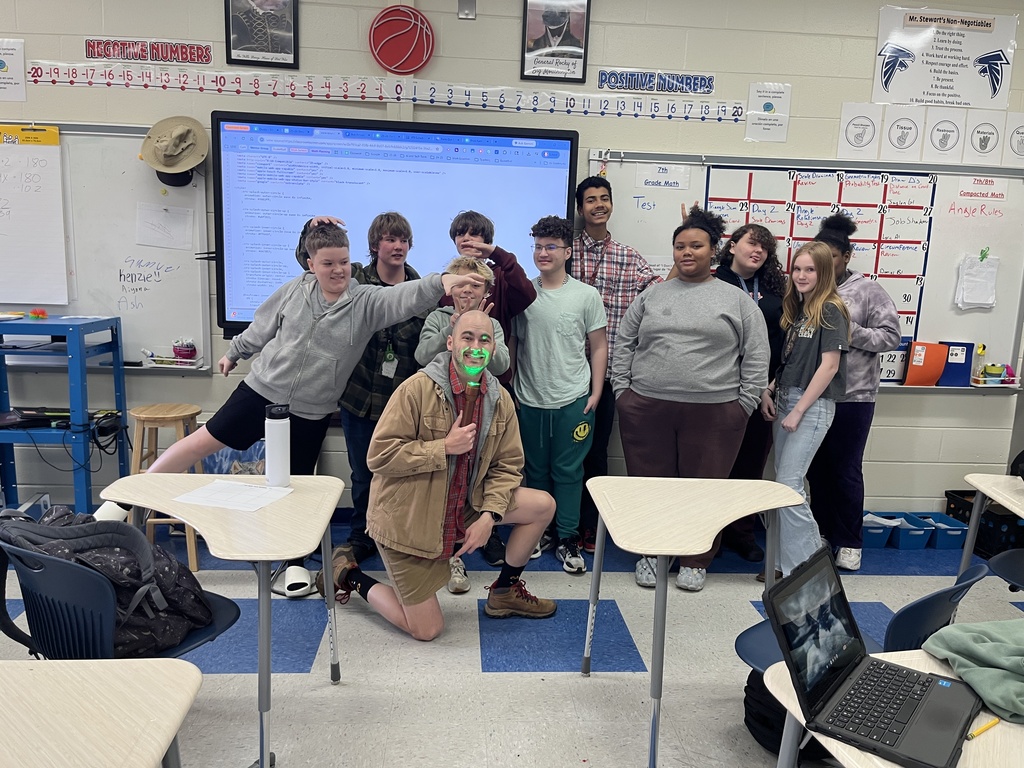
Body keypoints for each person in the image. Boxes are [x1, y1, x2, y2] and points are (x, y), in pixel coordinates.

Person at [147, 222, 483, 480]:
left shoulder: (365, 303)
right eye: (328, 263)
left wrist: (442, 282)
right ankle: (130, 500)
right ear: (311, 264)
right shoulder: (295, 289)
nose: (338, 270)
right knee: (201, 443)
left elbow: (404, 296)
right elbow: (263, 325)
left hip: (311, 413)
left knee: (297, 484)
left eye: (344, 262)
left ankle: (294, 565)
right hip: (261, 392)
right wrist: (234, 352)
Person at [321, 310, 557, 641]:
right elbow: (379, 456)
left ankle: (505, 591)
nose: (476, 347)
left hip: (463, 504)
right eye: (468, 337)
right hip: (408, 521)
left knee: (542, 505)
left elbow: (508, 466)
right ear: (450, 343)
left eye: (485, 339)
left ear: (493, 349)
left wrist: (490, 516)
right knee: (428, 630)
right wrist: (443, 447)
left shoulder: (499, 399)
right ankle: (348, 575)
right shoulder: (416, 389)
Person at [612, 206, 768, 592]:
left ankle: (696, 559)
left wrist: (743, 404)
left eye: (696, 245)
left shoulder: (736, 301)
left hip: (716, 413)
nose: (687, 252)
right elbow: (623, 344)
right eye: (680, 246)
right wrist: (623, 393)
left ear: (713, 250)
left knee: (704, 489)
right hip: (647, 408)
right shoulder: (651, 296)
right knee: (651, 487)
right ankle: (651, 552)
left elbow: (757, 355)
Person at [297, 213, 425, 567]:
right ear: (374, 246)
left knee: (401, 473)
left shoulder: (419, 291)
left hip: (401, 402)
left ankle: (398, 536)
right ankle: (362, 536)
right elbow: (310, 262)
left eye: (403, 240)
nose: (397, 246)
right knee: (362, 473)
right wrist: (310, 228)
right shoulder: (352, 278)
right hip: (358, 398)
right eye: (389, 239)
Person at [570, 176, 662, 554]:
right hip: (564, 370)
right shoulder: (565, 252)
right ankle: (561, 526)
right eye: (590, 200)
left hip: (606, 375)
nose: (598, 205)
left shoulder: (629, 256)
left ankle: (591, 526)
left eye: (604, 198)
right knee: (562, 452)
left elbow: (660, 290)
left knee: (595, 451)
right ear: (580, 208)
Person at [513, 216, 607, 574]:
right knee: (535, 470)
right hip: (530, 398)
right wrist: (514, 388)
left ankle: (567, 536)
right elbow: (514, 341)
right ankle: (539, 531)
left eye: (551, 246)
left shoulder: (586, 295)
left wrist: (596, 392)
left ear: (568, 251)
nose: (542, 253)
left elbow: (598, 346)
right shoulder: (525, 293)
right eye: (537, 246)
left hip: (573, 399)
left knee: (568, 472)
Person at [806, 214, 900, 572]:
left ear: (846, 256)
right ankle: (823, 534)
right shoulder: (807, 287)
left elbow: (890, 337)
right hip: (813, 395)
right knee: (815, 470)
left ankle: (849, 541)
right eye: (819, 257)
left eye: (832, 256)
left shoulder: (867, 290)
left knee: (844, 470)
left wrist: (850, 331)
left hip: (854, 398)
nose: (825, 263)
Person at [445, 210, 536, 568]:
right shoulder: (446, 287)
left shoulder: (499, 278)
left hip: (493, 393)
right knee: (454, 461)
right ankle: (450, 539)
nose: (469, 241)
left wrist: (495, 253)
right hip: (450, 395)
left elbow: (527, 293)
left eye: (477, 236)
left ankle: (489, 528)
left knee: (491, 463)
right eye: (463, 235)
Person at [760, 241, 850, 578]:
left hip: (810, 406)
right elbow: (791, 361)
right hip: (786, 397)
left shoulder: (830, 308)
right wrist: (771, 390)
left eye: (809, 269)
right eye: (797, 269)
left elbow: (828, 367)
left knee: (789, 484)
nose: (801, 275)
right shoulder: (800, 309)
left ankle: (811, 566)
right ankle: (786, 564)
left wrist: (798, 411)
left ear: (824, 272)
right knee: (784, 486)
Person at [714, 225, 787, 563]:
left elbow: (786, 343)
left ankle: (741, 532)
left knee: (750, 465)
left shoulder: (776, 290)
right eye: (751, 243)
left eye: (765, 248)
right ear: (732, 246)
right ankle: (709, 532)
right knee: (713, 467)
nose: (758, 251)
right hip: (720, 391)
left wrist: (767, 387)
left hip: (763, 392)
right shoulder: (713, 281)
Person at [415, 255, 510, 376]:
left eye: (475, 285)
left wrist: (483, 334)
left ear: (486, 291)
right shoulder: (437, 317)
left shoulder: (493, 325)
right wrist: (451, 329)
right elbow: (422, 357)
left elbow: (501, 367)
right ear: (450, 287)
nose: (467, 290)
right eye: (460, 284)